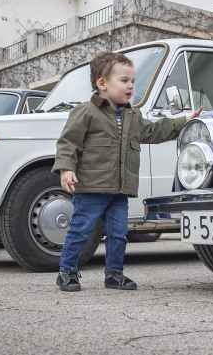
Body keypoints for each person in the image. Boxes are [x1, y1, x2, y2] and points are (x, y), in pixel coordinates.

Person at [53, 51, 199, 292]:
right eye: (124, 80)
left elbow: (154, 131)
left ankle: (114, 274)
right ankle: (67, 272)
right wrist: (66, 169)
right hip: (91, 188)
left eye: (132, 81)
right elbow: (68, 143)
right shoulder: (86, 112)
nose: (131, 85)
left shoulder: (133, 115)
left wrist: (184, 122)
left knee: (119, 234)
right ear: (102, 83)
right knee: (81, 231)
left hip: (120, 190)